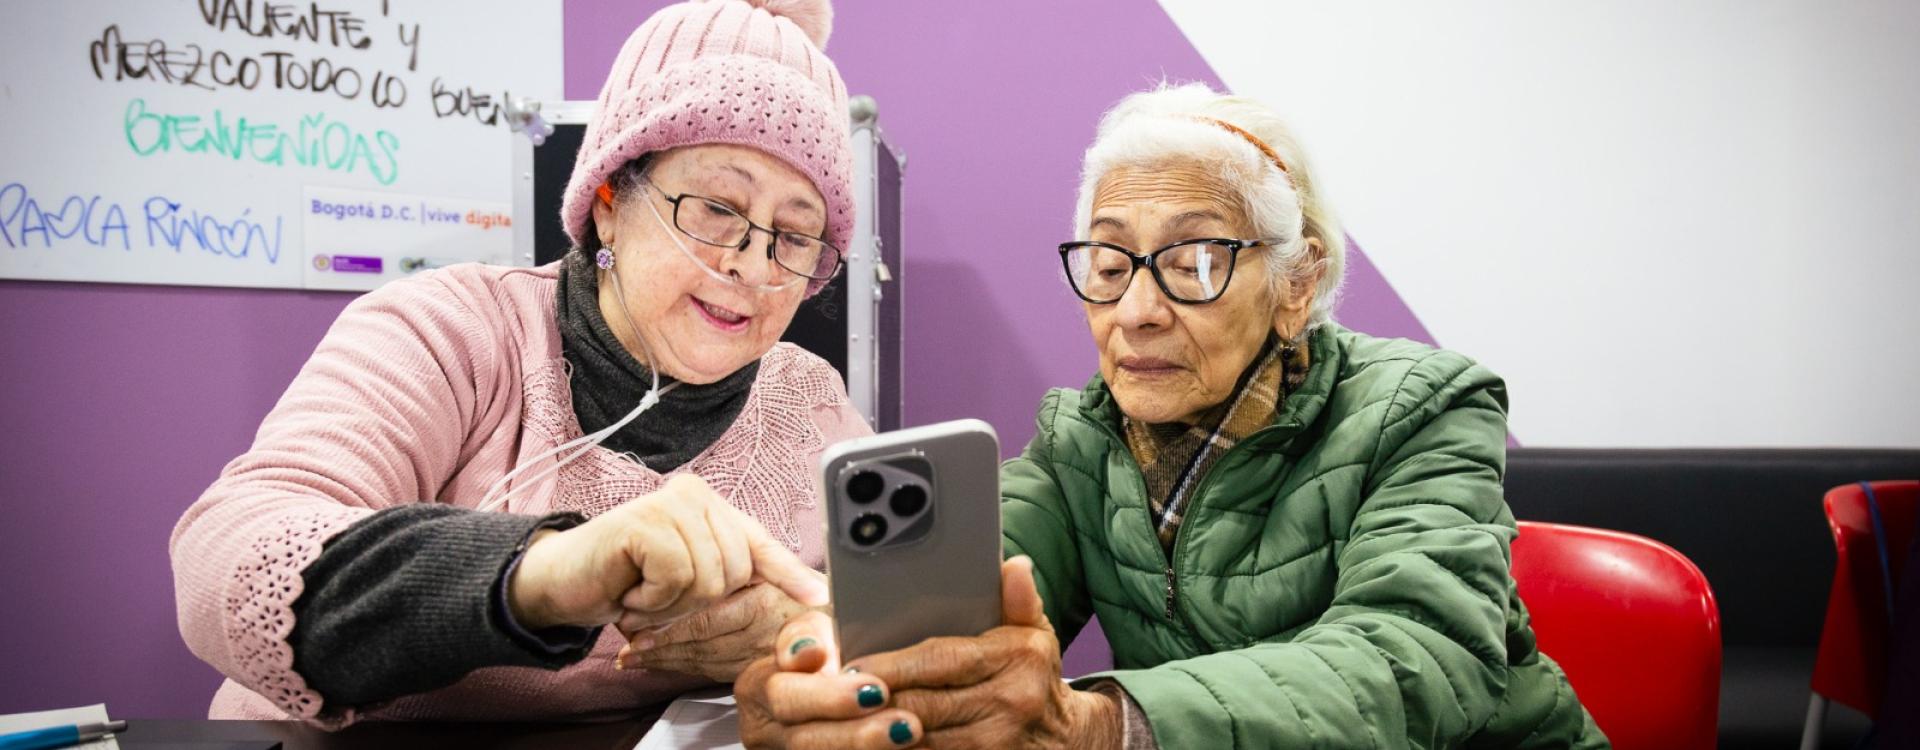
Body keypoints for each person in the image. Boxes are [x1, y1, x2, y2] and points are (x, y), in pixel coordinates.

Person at [736, 83, 1609, 748]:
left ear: (1296, 284)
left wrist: (1103, 725)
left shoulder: (1424, 408)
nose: (1137, 310)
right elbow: (976, 576)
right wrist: (834, 661)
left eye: (1194, 260)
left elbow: (1412, 660)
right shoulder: (1083, 440)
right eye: (1110, 262)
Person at [169, 0, 870, 727]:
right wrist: (546, 573)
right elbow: (228, 561)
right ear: (608, 202)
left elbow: (878, 627)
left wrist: (804, 634)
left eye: (794, 235)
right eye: (716, 207)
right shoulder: (450, 332)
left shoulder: (809, 400)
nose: (752, 265)